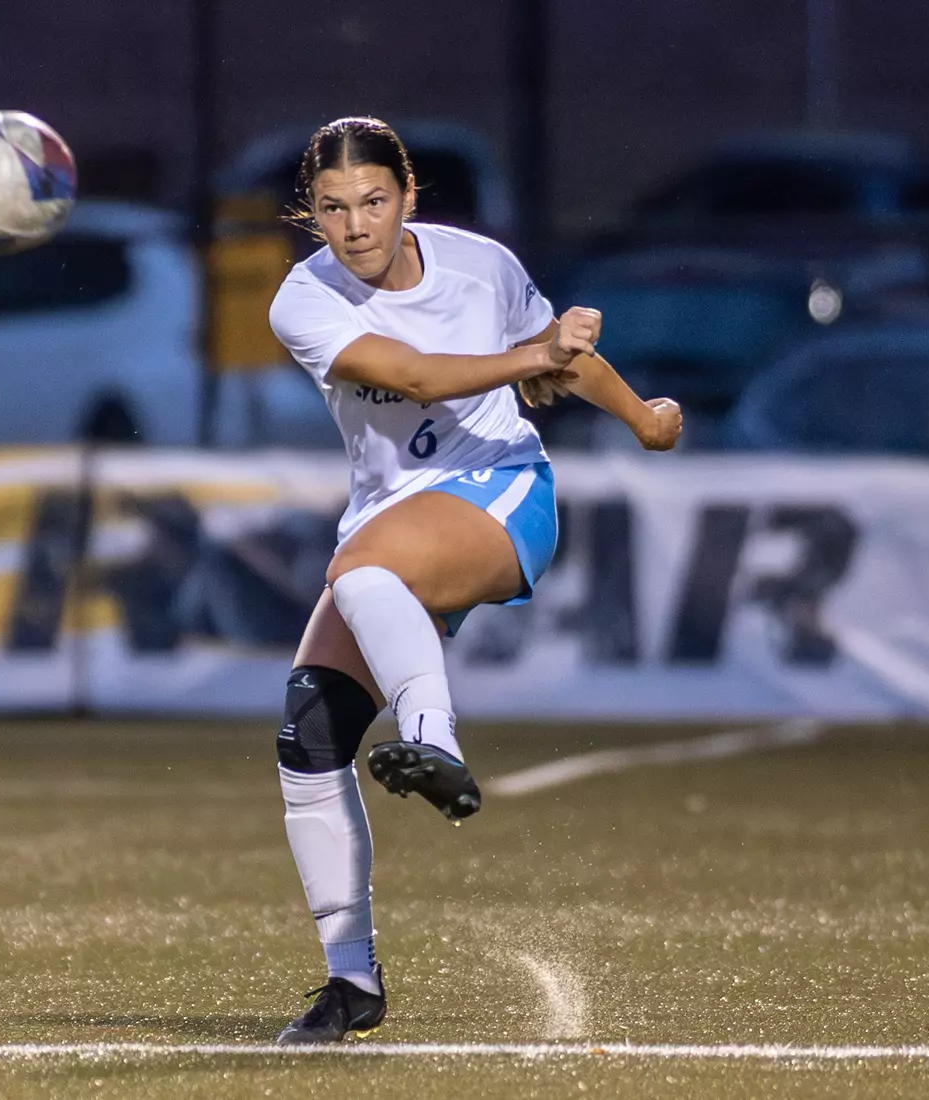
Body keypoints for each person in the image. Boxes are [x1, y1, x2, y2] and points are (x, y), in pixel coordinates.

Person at [266, 117, 682, 1045]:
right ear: (314, 216)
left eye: (373, 201)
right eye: (333, 209)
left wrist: (642, 418)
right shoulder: (303, 300)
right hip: (391, 518)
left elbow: (561, 357)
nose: (355, 225)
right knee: (308, 733)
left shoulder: (477, 266)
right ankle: (350, 981)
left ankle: (432, 737)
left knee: (363, 572)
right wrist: (535, 355)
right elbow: (413, 375)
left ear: (407, 199)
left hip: (502, 491)